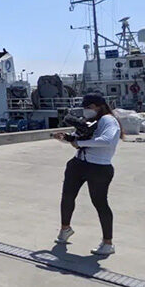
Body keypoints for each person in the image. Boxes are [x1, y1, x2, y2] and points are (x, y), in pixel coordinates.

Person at [53, 93, 122, 255]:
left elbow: (107, 140)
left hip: (98, 167)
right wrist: (66, 138)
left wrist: (79, 142)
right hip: (79, 164)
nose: (86, 111)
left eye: (89, 107)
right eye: (85, 107)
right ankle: (65, 229)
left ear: (99, 106)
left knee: (100, 203)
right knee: (67, 197)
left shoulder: (108, 120)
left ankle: (107, 243)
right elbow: (77, 142)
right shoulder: (90, 122)